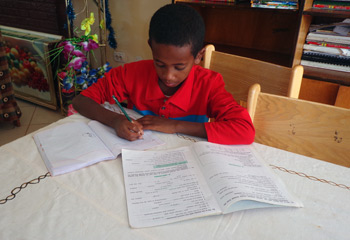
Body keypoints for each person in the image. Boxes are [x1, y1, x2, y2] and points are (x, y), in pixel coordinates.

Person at [72, 3, 255, 145]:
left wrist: (175, 126)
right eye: (160, 64)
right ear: (151, 47)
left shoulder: (209, 84)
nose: (168, 76)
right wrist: (115, 120)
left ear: (199, 56)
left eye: (179, 67)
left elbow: (245, 130)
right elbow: (81, 101)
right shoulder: (131, 73)